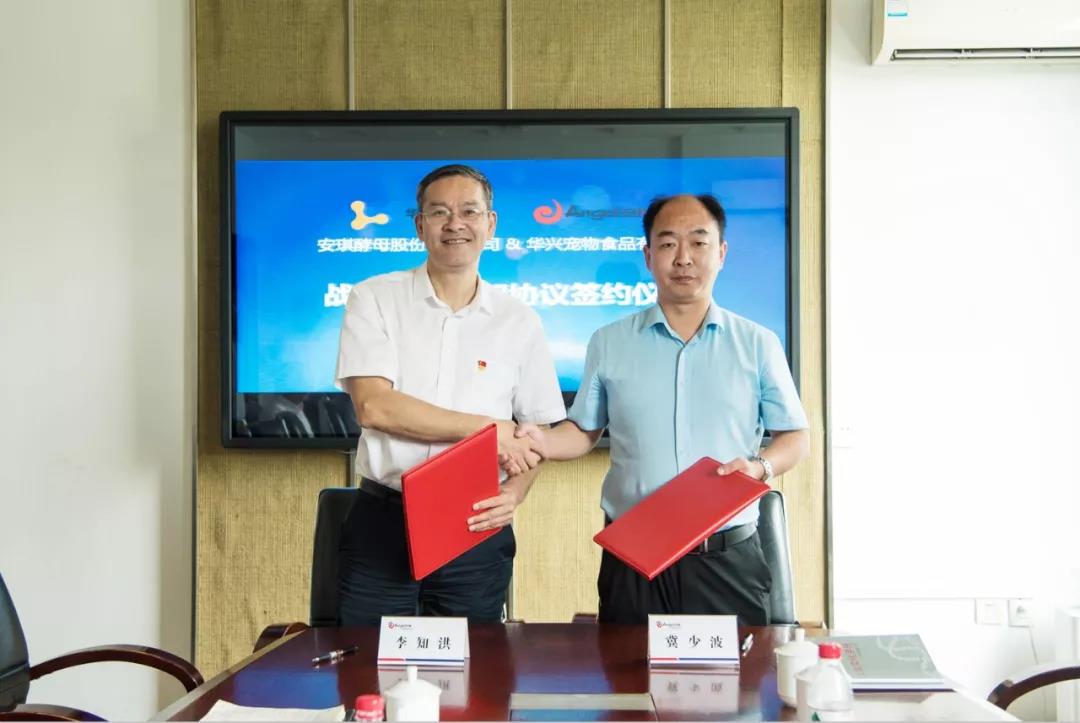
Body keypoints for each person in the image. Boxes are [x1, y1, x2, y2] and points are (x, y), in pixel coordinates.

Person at [510, 193, 810, 625]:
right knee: (629, 669)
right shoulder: (609, 341)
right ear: (648, 256)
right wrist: (539, 440)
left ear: (721, 253)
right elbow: (583, 431)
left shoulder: (758, 343)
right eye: (668, 243)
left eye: (699, 242)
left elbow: (795, 437)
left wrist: (760, 467)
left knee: (731, 672)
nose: (683, 258)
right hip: (635, 556)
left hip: (725, 556)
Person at [334, 164, 565, 625]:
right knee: (368, 659)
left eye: (469, 212)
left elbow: (534, 434)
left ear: (490, 224)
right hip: (385, 519)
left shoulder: (519, 320)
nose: (455, 224)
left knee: (473, 661)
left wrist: (514, 492)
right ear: (420, 225)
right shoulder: (374, 298)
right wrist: (488, 430)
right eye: (440, 212)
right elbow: (374, 406)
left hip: (475, 520)